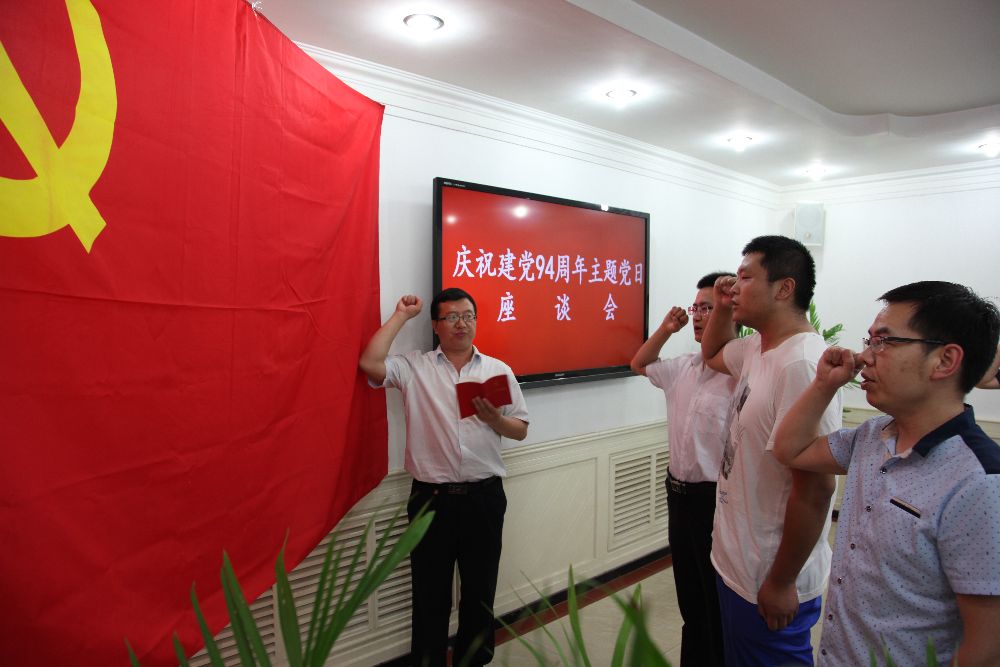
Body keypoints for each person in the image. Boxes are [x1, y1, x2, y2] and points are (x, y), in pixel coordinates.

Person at [773, 281, 1000, 665]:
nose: (864, 356)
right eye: (870, 340)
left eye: (884, 342)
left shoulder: (979, 483)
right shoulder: (873, 436)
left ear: (945, 360)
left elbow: (986, 649)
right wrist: (824, 385)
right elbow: (790, 450)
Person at [359, 288, 529, 667]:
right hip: (431, 500)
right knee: (429, 593)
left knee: (480, 591)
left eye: (467, 316)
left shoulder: (497, 370)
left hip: (484, 497)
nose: (461, 324)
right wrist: (401, 316)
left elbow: (519, 429)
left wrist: (495, 420)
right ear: (436, 326)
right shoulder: (415, 368)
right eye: (451, 317)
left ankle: (473, 661)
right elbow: (370, 363)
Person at [700, 235, 841, 666]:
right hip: (737, 561)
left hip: (770, 573)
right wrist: (721, 307)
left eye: (745, 278)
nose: (734, 287)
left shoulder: (802, 364)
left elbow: (816, 489)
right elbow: (713, 353)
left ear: (784, 288)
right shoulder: (757, 347)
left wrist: (782, 581)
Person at [630, 271, 736, 667]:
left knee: (715, 595)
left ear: (732, 314)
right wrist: (665, 329)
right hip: (679, 494)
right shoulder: (683, 367)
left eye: (709, 308)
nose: (699, 316)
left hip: (717, 498)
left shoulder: (741, 374)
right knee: (690, 594)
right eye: (697, 308)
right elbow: (639, 363)